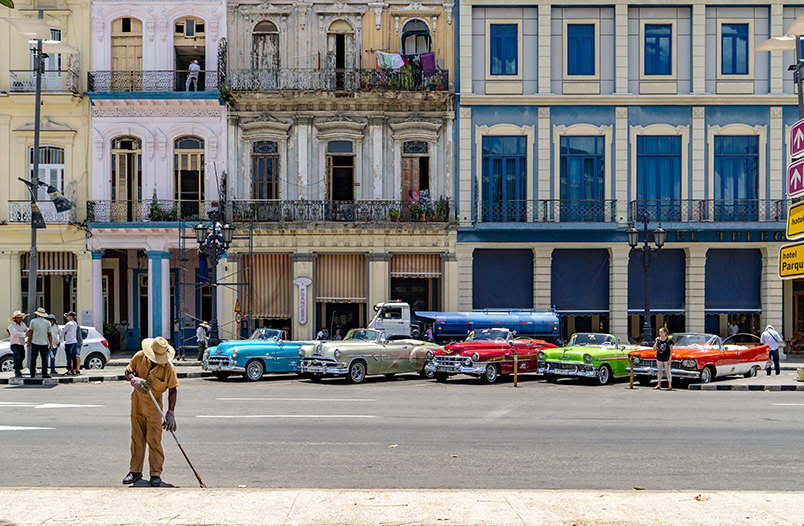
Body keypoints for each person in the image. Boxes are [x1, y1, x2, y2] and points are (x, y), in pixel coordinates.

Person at [123, 337, 179, 487]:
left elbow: (173, 390)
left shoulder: (168, 368)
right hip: (137, 404)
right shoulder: (140, 357)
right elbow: (128, 370)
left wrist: (170, 412)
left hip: (155, 409)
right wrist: (133, 379)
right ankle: (135, 472)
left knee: (154, 440)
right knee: (137, 439)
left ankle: (155, 474)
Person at [26, 307, 52, 378]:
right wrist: (51, 344)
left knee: (33, 359)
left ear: (37, 314)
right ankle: (44, 373)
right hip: (44, 343)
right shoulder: (47, 323)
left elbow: (30, 332)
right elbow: (49, 334)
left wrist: (28, 341)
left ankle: (32, 374)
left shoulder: (33, 321)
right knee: (44, 360)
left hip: (35, 342)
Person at [7, 310, 28, 378]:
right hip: (15, 344)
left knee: (22, 357)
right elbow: (16, 333)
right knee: (17, 357)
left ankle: (18, 369)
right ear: (15, 318)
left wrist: (29, 331)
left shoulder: (23, 324)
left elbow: (26, 329)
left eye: (21, 317)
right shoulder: (11, 326)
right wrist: (26, 334)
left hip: (21, 344)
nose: (20, 318)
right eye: (18, 317)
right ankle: (17, 371)